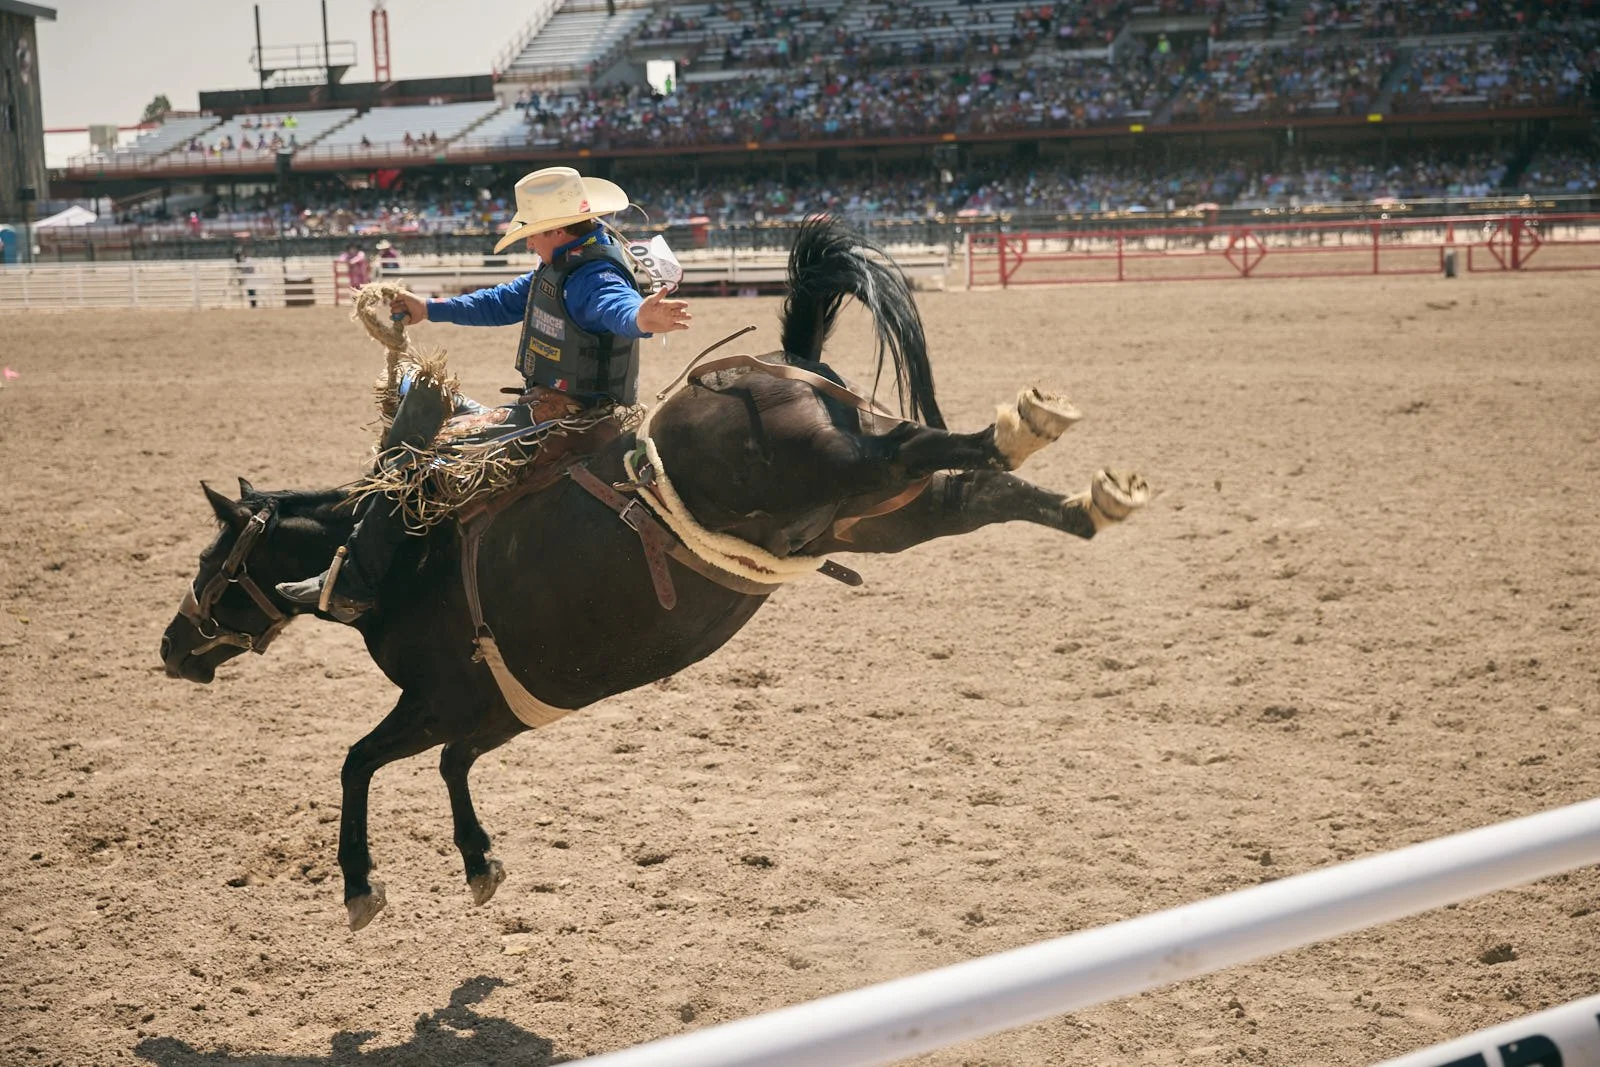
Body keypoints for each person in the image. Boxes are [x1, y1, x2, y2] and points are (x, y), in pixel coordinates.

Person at [277, 166, 691, 622]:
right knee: (425, 397)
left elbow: (615, 306)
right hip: (553, 409)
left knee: (418, 459)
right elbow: (503, 301)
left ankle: (352, 584)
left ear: (554, 229)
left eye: (532, 233)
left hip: (557, 418)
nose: (529, 242)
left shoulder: (590, 274)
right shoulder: (568, 263)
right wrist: (429, 308)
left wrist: (640, 318)